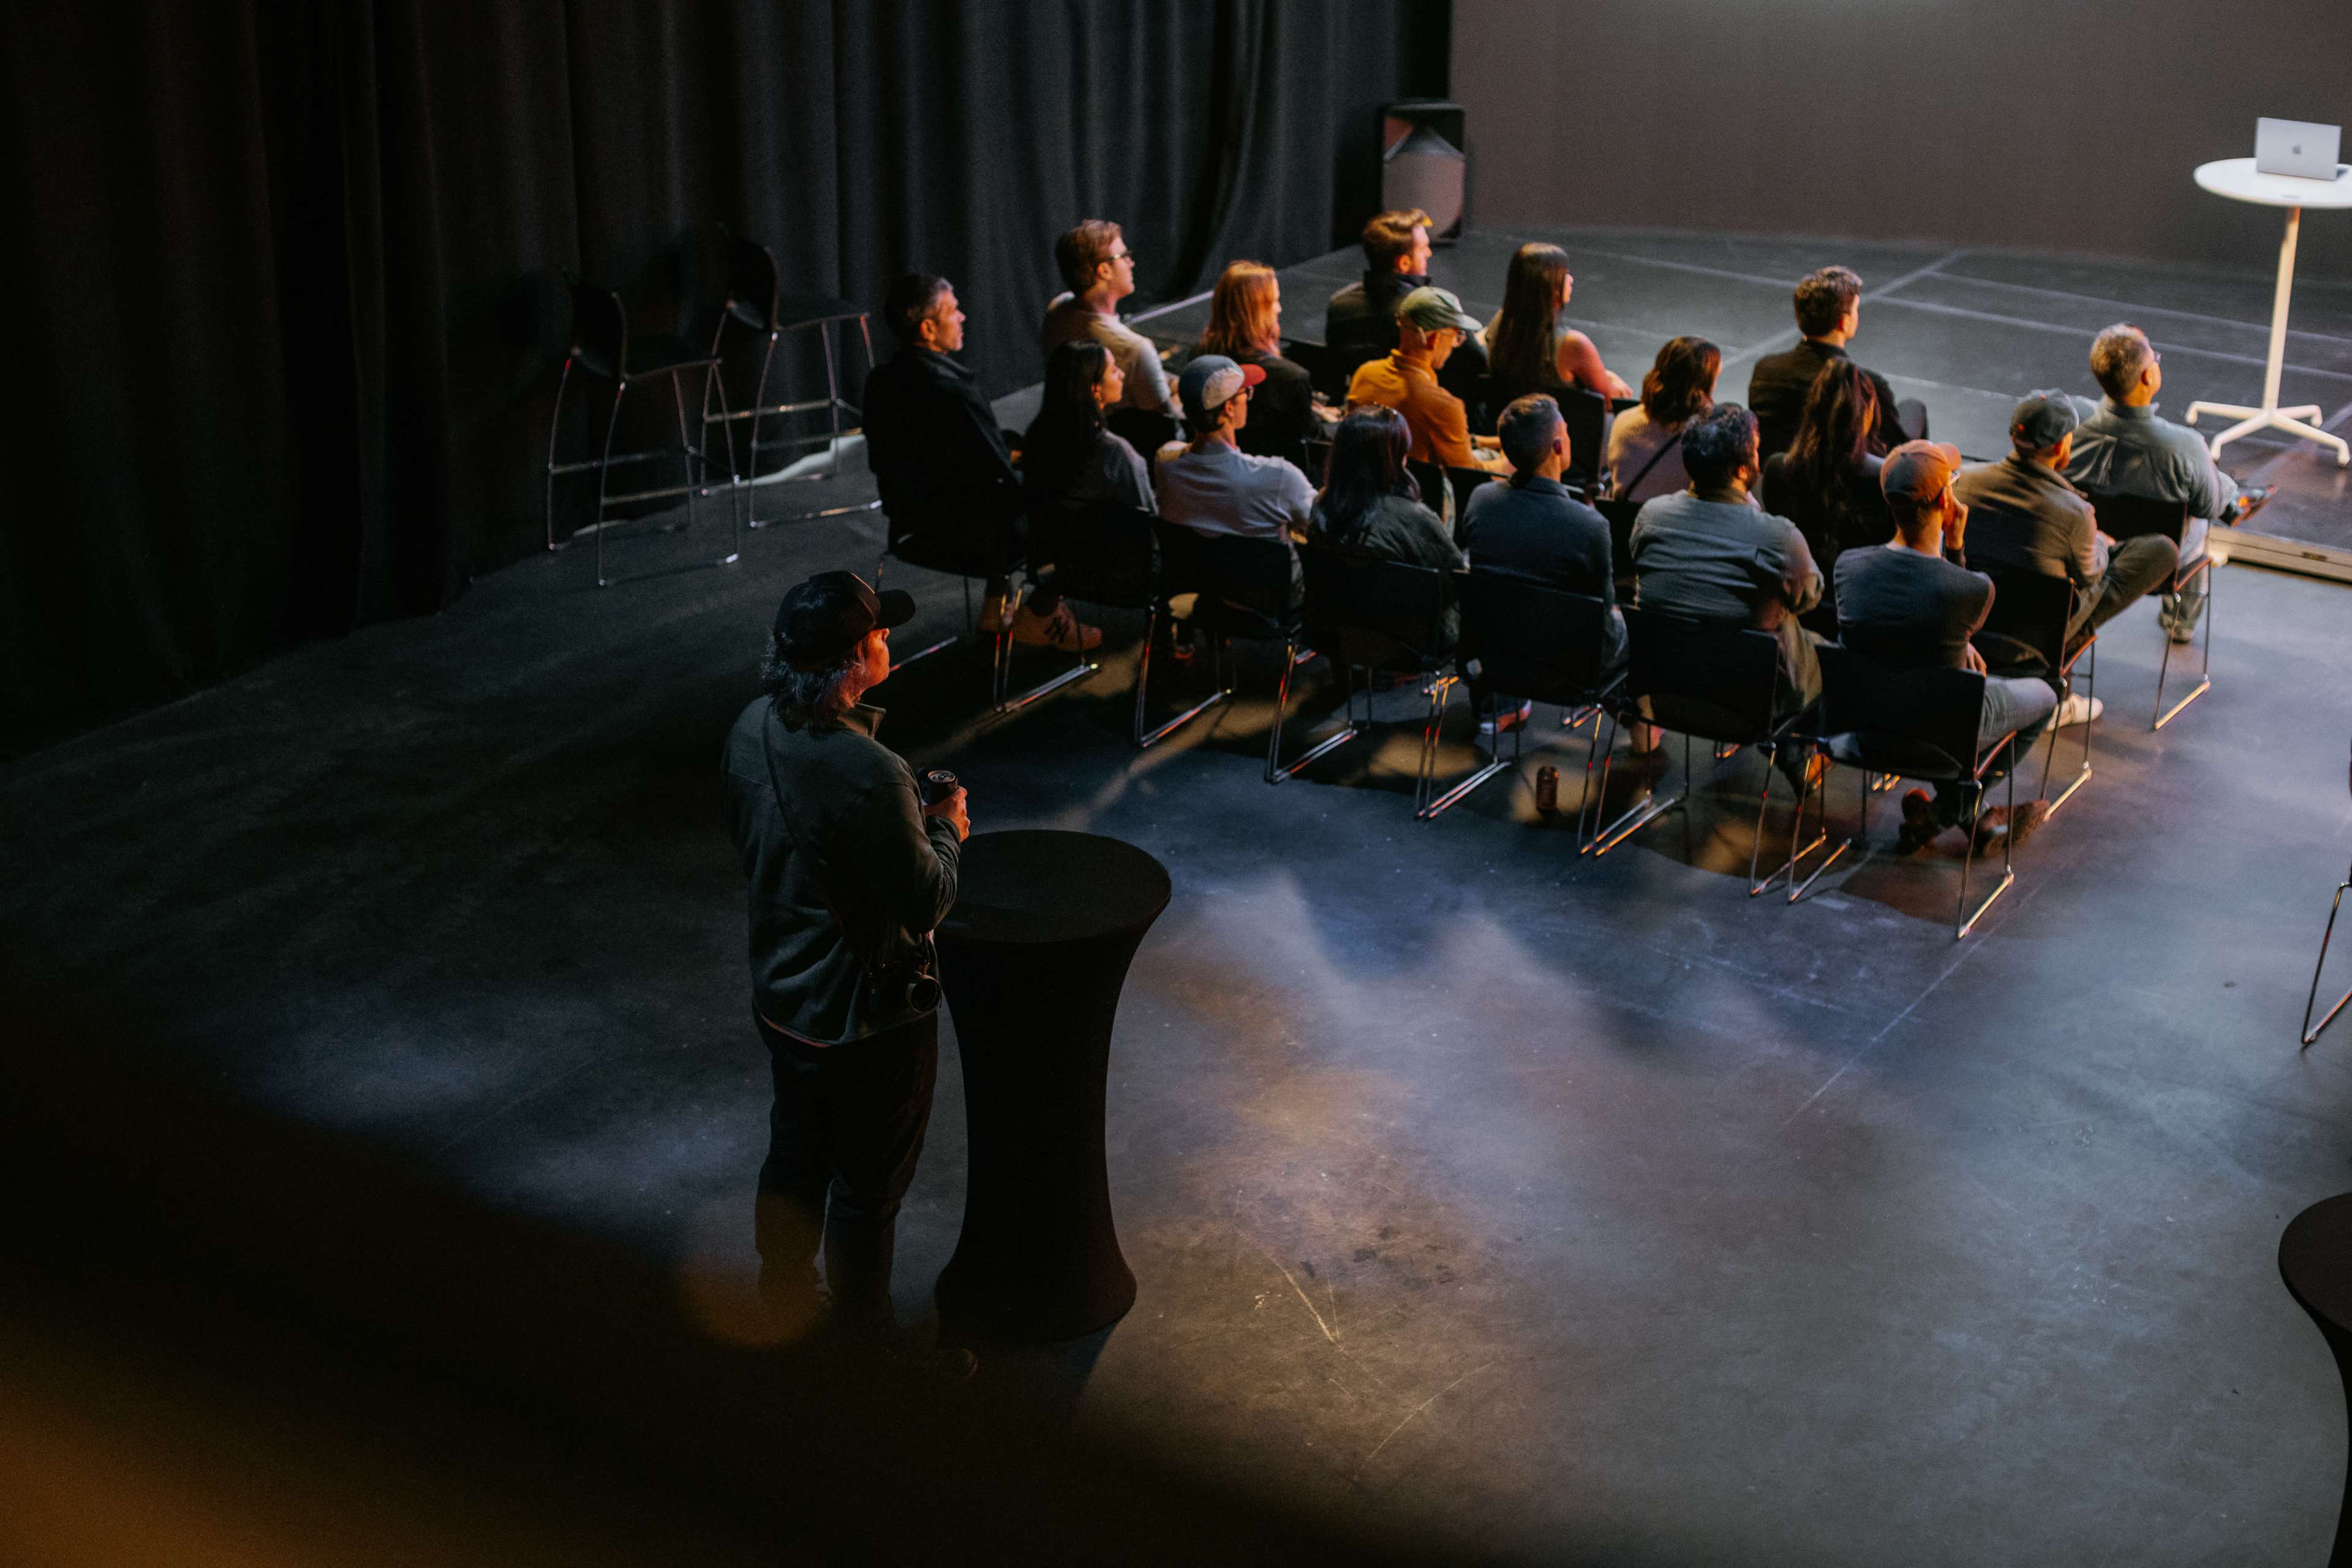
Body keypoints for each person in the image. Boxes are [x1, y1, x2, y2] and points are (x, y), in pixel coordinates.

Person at [722, 571, 970, 1352]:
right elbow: (927, 899)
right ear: (856, 657)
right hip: (866, 1021)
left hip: (783, 1004)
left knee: (794, 1157)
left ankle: (783, 1300)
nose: (888, 639)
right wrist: (948, 828)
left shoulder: (749, 726)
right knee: (866, 1192)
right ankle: (863, 1344)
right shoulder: (873, 771)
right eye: (879, 633)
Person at [1836, 441, 2056, 854]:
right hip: (1941, 731)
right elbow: (1958, 609)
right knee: (2046, 695)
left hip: (1866, 728)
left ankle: (1965, 815)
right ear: (1945, 501)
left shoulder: (1849, 567)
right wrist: (1956, 546)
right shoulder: (1972, 587)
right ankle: (1954, 810)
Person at [864, 273, 1094, 652]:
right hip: (972, 537)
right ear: (927, 328)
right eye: (953, 312)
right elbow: (1000, 476)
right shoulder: (954, 392)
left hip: (909, 529)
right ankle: (1043, 615)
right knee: (1077, 510)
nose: (963, 318)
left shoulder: (880, 382)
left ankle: (994, 611)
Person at [1629, 402, 1823, 784]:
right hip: (1745, 706)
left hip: (1664, 693)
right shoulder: (1776, 535)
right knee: (1819, 652)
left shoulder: (1651, 516)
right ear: (1742, 469)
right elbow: (1809, 596)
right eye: (1755, 450)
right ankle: (1798, 758)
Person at [1953, 390, 2175, 701]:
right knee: (2158, 552)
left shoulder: (1964, 480)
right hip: (2032, 644)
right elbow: (2092, 577)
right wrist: (2099, 542)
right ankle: (2059, 686)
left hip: (1971, 628)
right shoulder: (2074, 514)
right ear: (2061, 446)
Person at [2062, 322, 2273, 644]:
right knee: (2203, 519)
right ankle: (2180, 622)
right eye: (2155, 359)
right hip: (2155, 562)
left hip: (2081, 547)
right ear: (2148, 377)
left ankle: (2231, 496)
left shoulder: (2072, 420)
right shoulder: (2184, 445)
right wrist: (2221, 495)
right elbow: (2207, 506)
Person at [1458, 394, 1628, 731]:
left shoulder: (1481, 501)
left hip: (1496, 654)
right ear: (1558, 447)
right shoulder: (1589, 525)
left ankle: (1503, 704)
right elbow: (1603, 613)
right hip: (1566, 669)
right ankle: (1637, 726)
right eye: (1565, 431)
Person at [1155, 354, 1317, 653]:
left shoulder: (1165, 462)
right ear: (1229, 408)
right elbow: (1322, 527)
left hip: (1200, 589)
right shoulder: (1278, 476)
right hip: (1273, 599)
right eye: (1246, 393)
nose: (1249, 399)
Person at [1308, 406, 1464, 646]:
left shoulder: (1322, 505)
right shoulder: (1415, 518)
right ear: (1395, 456)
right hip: (1412, 639)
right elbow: (1456, 583)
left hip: (1340, 631)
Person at [1746, 265, 1925, 461]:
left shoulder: (1766, 369)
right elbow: (1896, 449)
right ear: (1843, 322)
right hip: (1838, 485)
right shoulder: (1866, 385)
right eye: (1855, 310)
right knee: (1915, 409)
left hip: (1779, 480)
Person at [1759, 361, 1894, 606]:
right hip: (1860, 604)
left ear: (1813, 407)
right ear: (1868, 411)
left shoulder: (1778, 471)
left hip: (1801, 603)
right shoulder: (1886, 481)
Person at [1041, 219, 1180, 452]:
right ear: (1104, 270)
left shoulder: (1057, 308)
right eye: (1124, 256)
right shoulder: (1134, 349)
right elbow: (1168, 422)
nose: (1131, 262)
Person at [1325, 206, 1486, 407]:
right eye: (1424, 248)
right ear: (1404, 263)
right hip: (1431, 413)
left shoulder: (1339, 307)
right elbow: (1480, 364)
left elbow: (1334, 376)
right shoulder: (1431, 312)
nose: (1429, 253)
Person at [1344, 286, 1511, 475]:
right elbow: (1468, 476)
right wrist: (1508, 464)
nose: (1456, 344)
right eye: (1456, 336)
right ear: (1434, 339)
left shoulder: (1364, 375)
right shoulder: (1442, 406)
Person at [1199, 260, 1332, 472]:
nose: (1279, 309)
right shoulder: (1290, 378)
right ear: (1256, 312)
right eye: (1275, 301)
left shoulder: (1200, 358)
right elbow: (1316, 446)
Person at [1479, 242, 1634, 409]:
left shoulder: (1501, 324)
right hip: (1561, 430)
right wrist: (1614, 381)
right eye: (1565, 275)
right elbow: (1610, 399)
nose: (1571, 279)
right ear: (1553, 289)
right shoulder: (1574, 345)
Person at [1023, 339, 1155, 514]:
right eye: (1114, 370)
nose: (1122, 374)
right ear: (1095, 389)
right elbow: (1146, 514)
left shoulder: (1036, 436)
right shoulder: (1116, 454)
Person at [1606, 336, 1719, 503]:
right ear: (1703, 385)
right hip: (1672, 525)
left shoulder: (1623, 420)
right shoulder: (1703, 439)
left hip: (1624, 524)